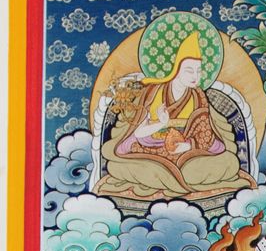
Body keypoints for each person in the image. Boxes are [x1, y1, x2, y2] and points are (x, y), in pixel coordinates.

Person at [101, 32, 250, 201]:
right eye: (189, 71)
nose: (195, 76)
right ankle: (176, 180)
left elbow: (206, 135)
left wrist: (188, 145)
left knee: (230, 162)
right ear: (175, 69)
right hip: (152, 152)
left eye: (199, 71)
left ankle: (171, 180)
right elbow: (138, 133)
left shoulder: (198, 97)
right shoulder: (153, 93)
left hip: (188, 154)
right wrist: (160, 124)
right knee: (116, 166)